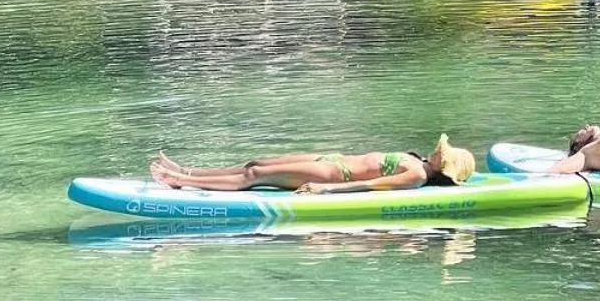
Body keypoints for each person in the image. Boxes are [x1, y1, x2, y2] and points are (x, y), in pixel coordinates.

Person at [148, 133, 476, 195]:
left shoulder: (417, 175)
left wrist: (324, 190)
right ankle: (187, 170)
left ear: (443, 167)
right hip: (329, 159)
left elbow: (372, 185)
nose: (437, 150)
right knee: (255, 162)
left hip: (332, 174)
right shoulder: (418, 162)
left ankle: (181, 182)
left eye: (441, 154)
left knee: (255, 175)